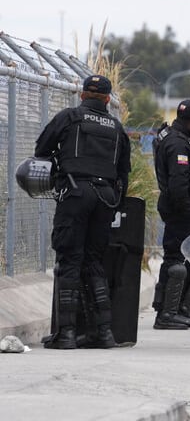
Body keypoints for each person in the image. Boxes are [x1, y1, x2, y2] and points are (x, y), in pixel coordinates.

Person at [35, 74, 131, 349]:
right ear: (108, 99)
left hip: (75, 192)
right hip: (106, 197)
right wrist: (115, 204)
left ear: (82, 94)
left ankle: (66, 333)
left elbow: (42, 149)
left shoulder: (70, 117)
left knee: (69, 258)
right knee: (94, 261)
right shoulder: (117, 127)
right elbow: (123, 171)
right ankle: (103, 333)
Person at [152, 99, 190, 330]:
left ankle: (181, 307)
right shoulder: (178, 144)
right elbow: (179, 184)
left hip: (184, 206)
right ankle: (166, 314)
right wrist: (187, 211)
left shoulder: (182, 138)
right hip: (179, 207)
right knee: (175, 259)